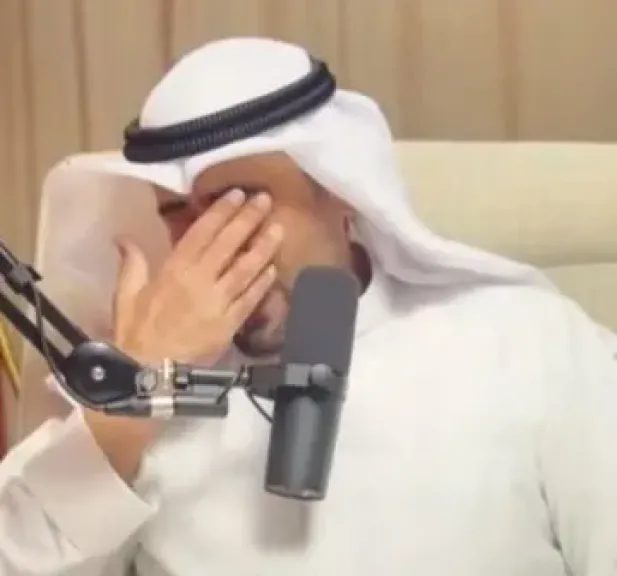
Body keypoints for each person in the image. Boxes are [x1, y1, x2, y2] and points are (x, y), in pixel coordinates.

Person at [1, 37, 617, 576]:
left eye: (241, 201)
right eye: (178, 216)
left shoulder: (524, 343)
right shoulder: (139, 390)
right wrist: (134, 401)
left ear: (343, 192)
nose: (212, 246)